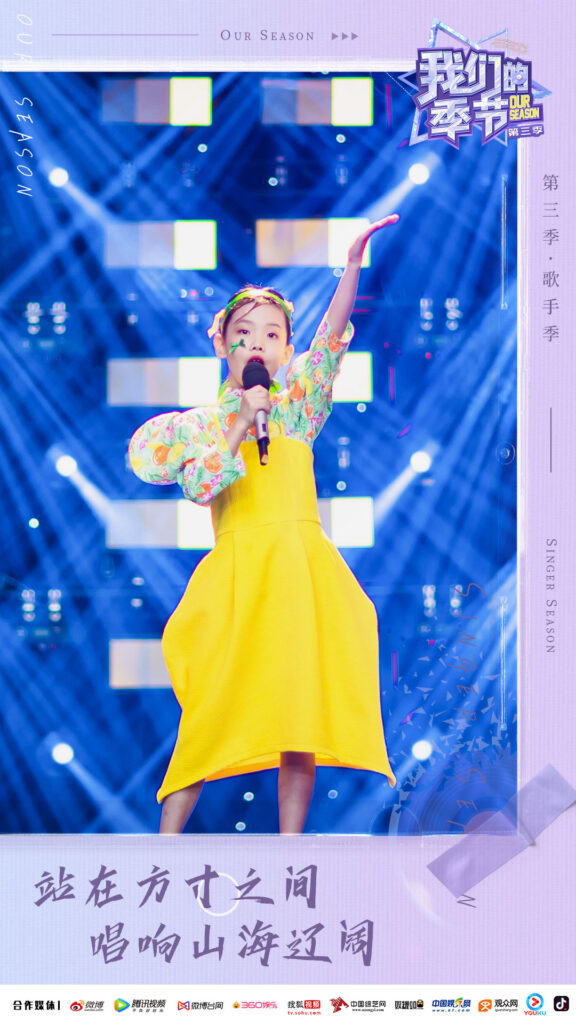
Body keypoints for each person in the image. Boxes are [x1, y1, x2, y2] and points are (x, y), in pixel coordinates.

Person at [128, 215, 399, 834]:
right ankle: (161, 851)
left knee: (298, 712)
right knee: (210, 709)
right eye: (244, 333)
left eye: (272, 334)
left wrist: (351, 266)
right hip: (238, 576)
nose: (258, 344)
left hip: (299, 571)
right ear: (221, 345)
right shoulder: (201, 426)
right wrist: (236, 424)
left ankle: (290, 851)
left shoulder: (298, 409)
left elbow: (330, 341)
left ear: (285, 349)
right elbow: (198, 488)